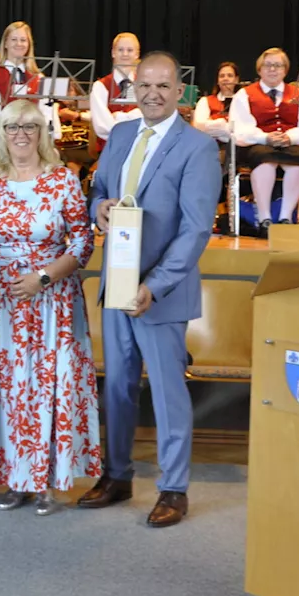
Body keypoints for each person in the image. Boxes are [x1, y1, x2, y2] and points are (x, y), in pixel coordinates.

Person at [81, 52, 220, 528]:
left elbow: (197, 230)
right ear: (133, 88)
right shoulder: (120, 134)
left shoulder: (198, 148)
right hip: (116, 284)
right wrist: (98, 205)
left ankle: (174, 488)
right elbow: (97, 189)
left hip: (160, 291)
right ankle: (117, 476)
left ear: (180, 91)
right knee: (117, 387)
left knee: (166, 392)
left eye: (163, 86)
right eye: (145, 86)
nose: (153, 95)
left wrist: (155, 285)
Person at [0, 99, 99, 516]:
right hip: (1, 301)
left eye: (30, 126)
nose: (21, 134)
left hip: (51, 299)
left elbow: (82, 241)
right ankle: (15, 478)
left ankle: (45, 482)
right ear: (0, 133)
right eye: (12, 127)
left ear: (43, 133)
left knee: (46, 387)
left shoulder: (62, 181)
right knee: (6, 386)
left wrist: (44, 276)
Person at [229, 47, 299, 235]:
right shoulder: (244, 94)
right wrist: (265, 137)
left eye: (278, 65)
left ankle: (285, 218)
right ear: (259, 69)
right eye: (268, 65)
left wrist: (290, 137)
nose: (272, 69)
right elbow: (239, 129)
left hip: (290, 144)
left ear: (285, 70)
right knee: (264, 160)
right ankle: (264, 218)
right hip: (257, 144)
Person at [0, 21, 63, 142]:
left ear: (29, 44)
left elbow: (47, 112)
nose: (19, 44)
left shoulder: (38, 77)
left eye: (23, 40)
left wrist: (49, 137)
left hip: (34, 144)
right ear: (5, 43)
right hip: (3, 142)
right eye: (14, 39)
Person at [90, 32, 143, 151]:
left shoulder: (144, 86)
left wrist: (119, 117)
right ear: (113, 53)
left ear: (136, 54)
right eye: (120, 50)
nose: (125, 54)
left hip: (139, 150)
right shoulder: (100, 86)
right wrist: (134, 116)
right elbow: (102, 126)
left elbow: (149, 119)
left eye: (130, 50)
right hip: (110, 150)